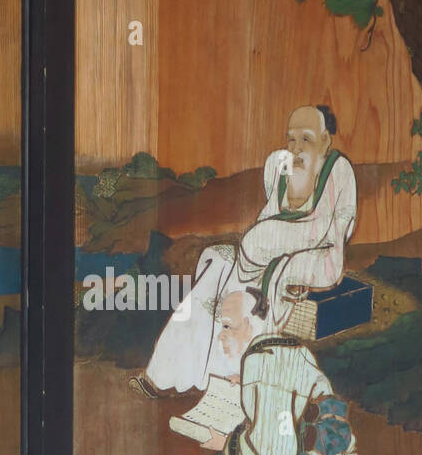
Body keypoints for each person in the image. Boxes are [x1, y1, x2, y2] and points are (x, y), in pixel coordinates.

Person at [133, 103, 357, 397]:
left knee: (254, 261)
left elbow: (336, 229)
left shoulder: (338, 170)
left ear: (325, 140)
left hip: (317, 254)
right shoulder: (278, 165)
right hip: (269, 249)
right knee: (218, 266)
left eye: (306, 138)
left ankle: (232, 379)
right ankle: (167, 373)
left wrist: (281, 250)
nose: (297, 147)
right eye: (291, 138)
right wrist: (267, 243)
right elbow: (271, 211)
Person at [198, 291, 374, 455]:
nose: (220, 336)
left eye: (226, 326)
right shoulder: (286, 348)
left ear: (253, 324)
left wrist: (227, 443)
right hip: (305, 442)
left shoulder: (262, 361)